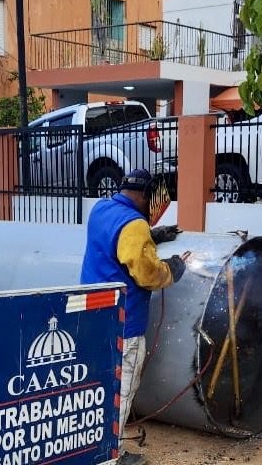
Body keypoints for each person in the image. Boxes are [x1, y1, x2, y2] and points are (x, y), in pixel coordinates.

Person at [80, 169, 185, 465]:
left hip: (94, 317)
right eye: (150, 198)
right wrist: (171, 270)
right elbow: (148, 274)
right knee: (121, 388)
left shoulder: (101, 209)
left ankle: (89, 445)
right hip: (124, 325)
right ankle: (109, 457)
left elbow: (114, 243)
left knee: (97, 386)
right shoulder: (134, 224)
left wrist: (151, 236)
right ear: (142, 195)